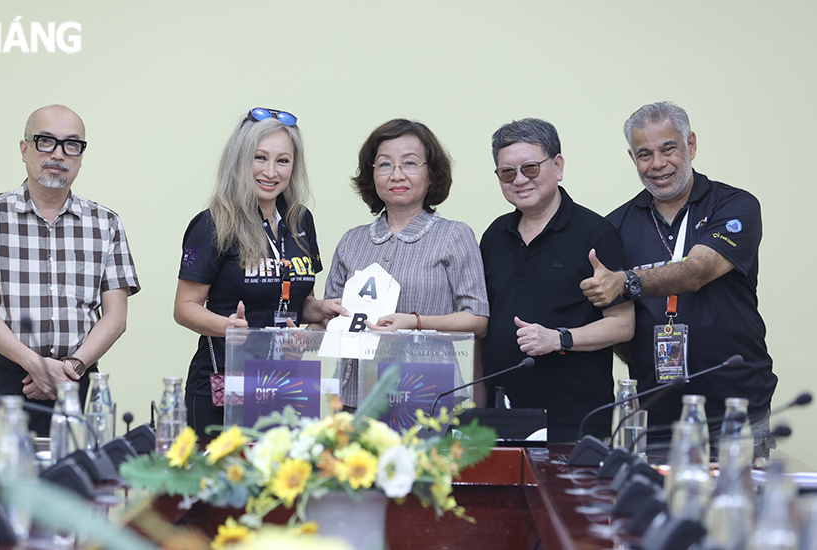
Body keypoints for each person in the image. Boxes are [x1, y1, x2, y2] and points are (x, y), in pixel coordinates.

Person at [581, 101, 778, 456]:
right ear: (632, 158)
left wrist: (626, 280)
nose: (657, 164)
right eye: (644, 154)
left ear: (691, 144)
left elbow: (697, 271)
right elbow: (615, 318)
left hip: (735, 408)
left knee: (737, 510)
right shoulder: (614, 226)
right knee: (656, 510)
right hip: (655, 414)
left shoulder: (734, 205)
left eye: (668, 148)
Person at [0, 104, 140, 436]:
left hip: (76, 381)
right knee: (3, 485)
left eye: (71, 145)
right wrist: (34, 365)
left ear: (81, 155)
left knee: (77, 484)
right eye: (45, 141)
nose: (58, 154)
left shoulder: (105, 223)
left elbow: (116, 316)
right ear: (25, 149)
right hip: (7, 380)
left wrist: (71, 367)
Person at [174, 108, 345, 439]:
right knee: (227, 487)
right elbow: (184, 308)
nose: (271, 171)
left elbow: (296, 299)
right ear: (239, 161)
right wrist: (230, 328)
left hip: (287, 381)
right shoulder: (213, 223)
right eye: (260, 158)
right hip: (225, 382)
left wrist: (319, 309)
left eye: (282, 160)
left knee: (283, 483)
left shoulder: (300, 221)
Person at [480, 118, 634, 442]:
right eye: (507, 173)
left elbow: (623, 324)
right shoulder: (494, 235)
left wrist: (558, 339)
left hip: (574, 426)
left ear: (558, 166)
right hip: (502, 420)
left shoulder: (596, 234)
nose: (519, 180)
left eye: (531, 169)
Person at [323, 119, 489, 409]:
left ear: (431, 175)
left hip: (426, 394)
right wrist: (309, 328)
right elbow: (333, 317)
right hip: (354, 397)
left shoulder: (454, 235)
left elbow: (477, 320)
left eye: (410, 164)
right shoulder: (352, 241)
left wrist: (414, 323)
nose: (397, 175)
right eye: (385, 165)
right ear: (372, 175)